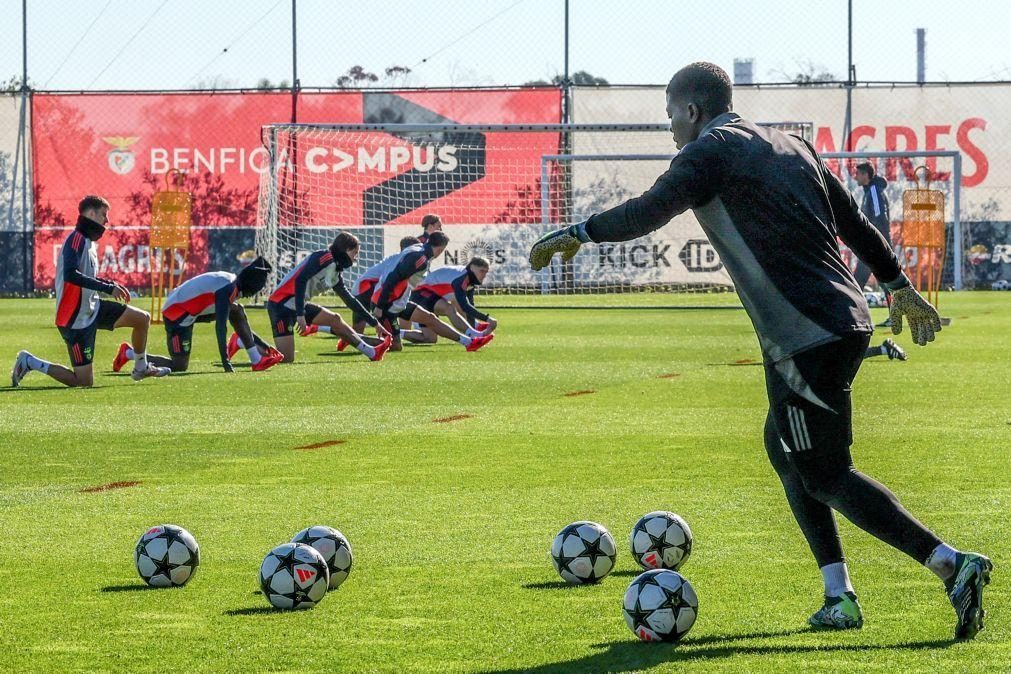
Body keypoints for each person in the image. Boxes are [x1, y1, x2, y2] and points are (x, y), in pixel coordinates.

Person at [529, 62, 990, 640]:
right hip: (844, 320)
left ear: (691, 111)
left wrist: (580, 232)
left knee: (825, 473)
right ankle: (838, 595)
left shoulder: (707, 152)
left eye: (671, 116)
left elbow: (651, 210)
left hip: (801, 334)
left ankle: (950, 563)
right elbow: (854, 222)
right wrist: (896, 285)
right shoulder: (791, 144)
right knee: (783, 445)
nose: (671, 128)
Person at [11, 195, 169, 387]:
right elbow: (71, 275)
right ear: (91, 213)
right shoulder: (76, 240)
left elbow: (87, 277)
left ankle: (141, 367)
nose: (107, 221)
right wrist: (108, 288)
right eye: (104, 214)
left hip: (93, 308)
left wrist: (111, 285)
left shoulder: (88, 243)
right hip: (75, 319)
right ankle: (30, 362)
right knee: (83, 382)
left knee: (142, 319)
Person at [111, 257, 282, 373]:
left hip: (194, 311)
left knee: (237, 310)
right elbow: (220, 326)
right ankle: (129, 353)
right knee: (179, 366)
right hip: (176, 315)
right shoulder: (227, 289)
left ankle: (256, 359)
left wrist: (266, 347)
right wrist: (225, 361)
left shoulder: (231, 282)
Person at [266, 232, 391, 363]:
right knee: (286, 359)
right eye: (355, 253)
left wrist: (374, 323)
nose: (355, 258)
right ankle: (252, 346)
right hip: (280, 305)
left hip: (297, 304)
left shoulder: (335, 272)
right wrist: (300, 315)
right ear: (346, 249)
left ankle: (372, 352)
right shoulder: (325, 257)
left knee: (335, 319)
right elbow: (300, 280)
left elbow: (350, 301)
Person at [371, 232, 493, 353]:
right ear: (441, 249)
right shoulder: (420, 258)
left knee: (431, 319)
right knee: (395, 346)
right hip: (386, 303)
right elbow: (392, 278)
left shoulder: (420, 252)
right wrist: (380, 306)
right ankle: (357, 339)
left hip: (398, 300)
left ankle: (469, 342)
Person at [405, 257, 497, 344]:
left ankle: (397, 333)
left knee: (430, 338)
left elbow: (469, 306)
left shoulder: (470, 279)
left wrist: (475, 329)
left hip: (429, 295)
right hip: (420, 293)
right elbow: (464, 306)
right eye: (482, 271)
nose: (484, 275)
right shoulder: (461, 279)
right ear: (472, 267)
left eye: (486, 272)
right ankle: (471, 336)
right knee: (450, 309)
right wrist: (487, 319)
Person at [348, 236, 419, 337]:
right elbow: (388, 283)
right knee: (357, 335)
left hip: (367, 289)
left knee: (358, 335)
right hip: (364, 289)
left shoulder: (402, 260)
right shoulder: (400, 261)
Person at [852, 162, 892, 291]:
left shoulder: (874, 191)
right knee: (883, 281)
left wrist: (875, 240)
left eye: (857, 174)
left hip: (875, 244)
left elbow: (880, 217)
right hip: (873, 243)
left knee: (860, 280)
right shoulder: (870, 191)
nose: (855, 177)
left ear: (865, 175)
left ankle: (851, 309)